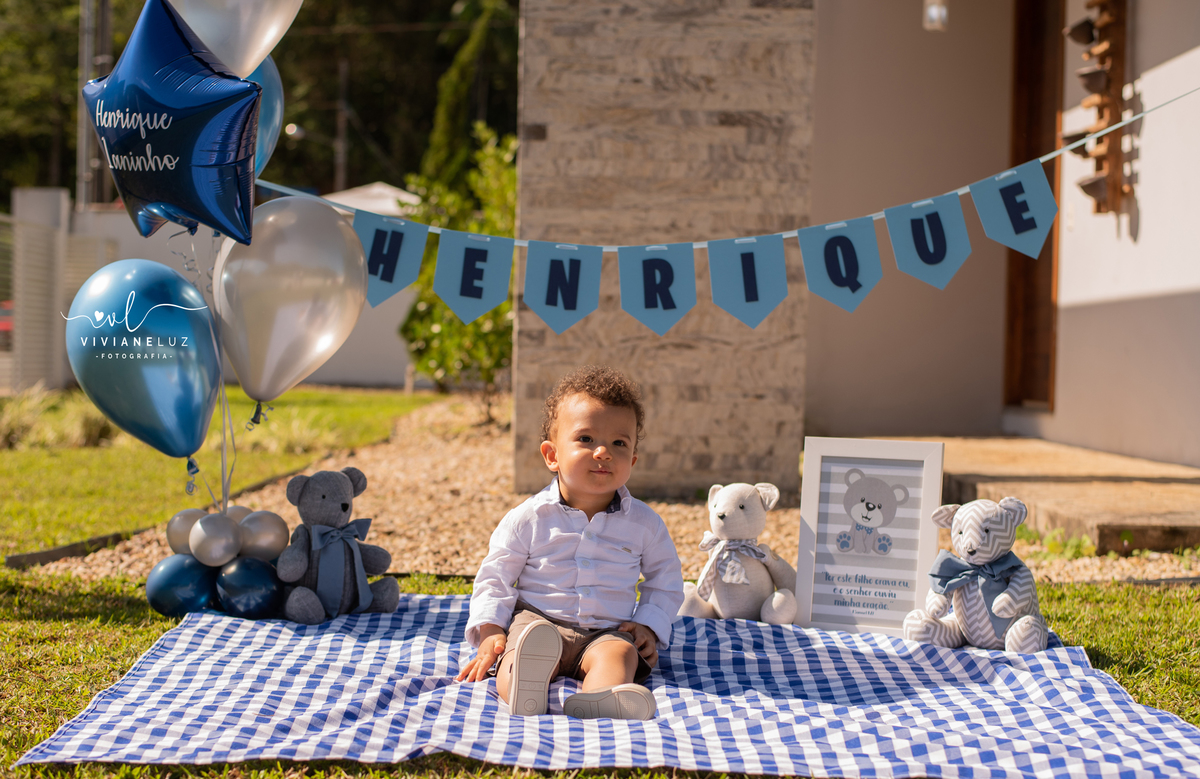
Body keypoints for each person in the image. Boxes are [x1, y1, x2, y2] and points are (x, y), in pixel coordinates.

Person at [456, 366, 685, 720]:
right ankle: (521, 689)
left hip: (606, 632)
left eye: (619, 443)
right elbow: (495, 577)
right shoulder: (528, 518)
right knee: (518, 653)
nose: (603, 452)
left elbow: (666, 581)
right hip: (538, 624)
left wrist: (649, 625)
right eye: (586, 439)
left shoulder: (644, 524)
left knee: (619, 656)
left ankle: (601, 697)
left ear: (633, 461)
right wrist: (490, 631)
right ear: (552, 455)